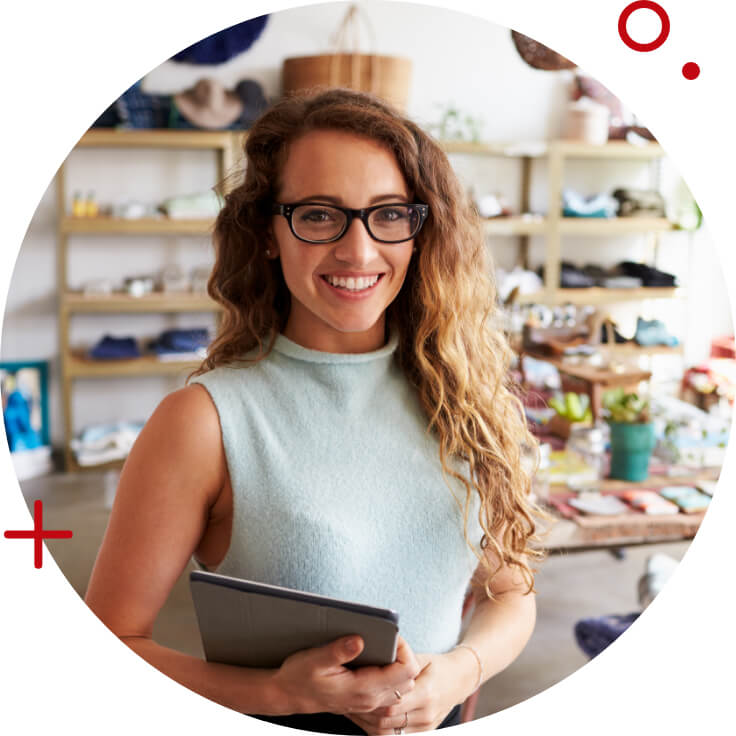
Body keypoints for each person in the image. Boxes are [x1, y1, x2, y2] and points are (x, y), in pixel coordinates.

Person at [85, 88, 543, 734]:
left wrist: (458, 674)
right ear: (269, 231)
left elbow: (512, 594)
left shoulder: (463, 398)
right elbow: (106, 649)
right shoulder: (204, 424)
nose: (358, 252)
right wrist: (279, 694)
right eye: (321, 215)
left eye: (388, 215)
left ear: (420, 230)